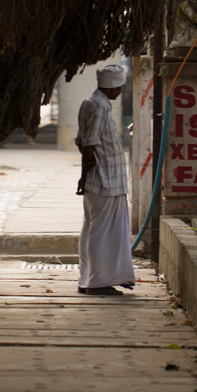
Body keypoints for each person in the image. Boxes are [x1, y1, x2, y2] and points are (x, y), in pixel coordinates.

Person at [74, 64, 135, 296]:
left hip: (104, 178)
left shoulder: (91, 102)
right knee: (102, 231)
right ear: (111, 85)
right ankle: (98, 282)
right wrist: (84, 173)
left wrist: (85, 174)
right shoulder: (99, 106)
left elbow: (86, 141)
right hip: (106, 180)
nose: (120, 90)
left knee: (92, 229)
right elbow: (89, 142)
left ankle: (89, 279)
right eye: (119, 86)